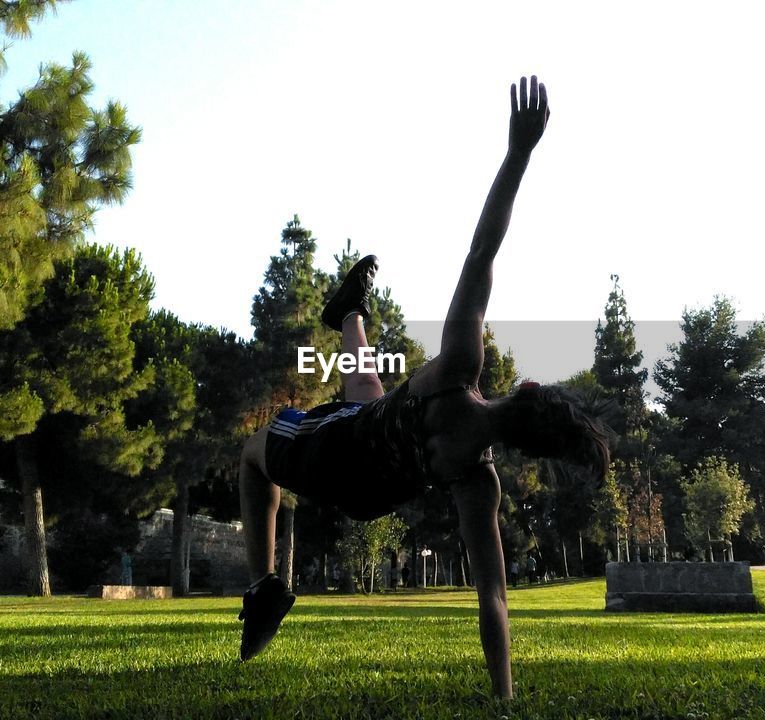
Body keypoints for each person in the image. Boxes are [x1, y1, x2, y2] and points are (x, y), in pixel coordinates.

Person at [236, 76, 608, 700]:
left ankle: (264, 586)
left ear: (531, 387)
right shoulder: (476, 481)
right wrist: (504, 696)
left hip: (337, 455)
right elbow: (492, 596)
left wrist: (518, 154)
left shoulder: (460, 365)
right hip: (372, 483)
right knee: (371, 400)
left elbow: (482, 252)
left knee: (253, 458)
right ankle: (350, 313)